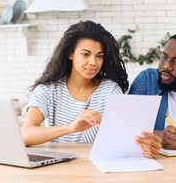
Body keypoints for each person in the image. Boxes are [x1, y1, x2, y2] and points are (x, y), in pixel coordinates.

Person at [22, 20, 162, 159]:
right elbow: (25, 134)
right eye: (85, 54)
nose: (93, 62)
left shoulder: (110, 90)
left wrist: (146, 146)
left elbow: (122, 138)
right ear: (70, 54)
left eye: (99, 56)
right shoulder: (48, 90)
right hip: (58, 167)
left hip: (96, 166)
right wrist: (69, 128)